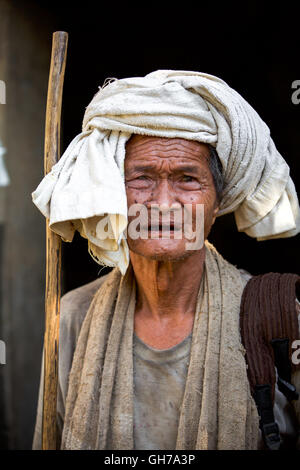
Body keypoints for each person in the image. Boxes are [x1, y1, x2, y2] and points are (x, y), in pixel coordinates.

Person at [32, 70, 300, 450]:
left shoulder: (279, 316)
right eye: (141, 178)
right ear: (112, 195)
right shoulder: (73, 316)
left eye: (187, 179)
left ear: (216, 202)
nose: (161, 204)